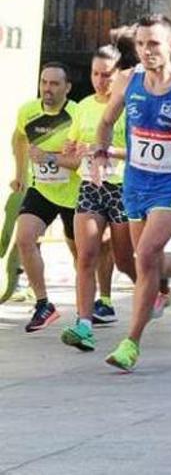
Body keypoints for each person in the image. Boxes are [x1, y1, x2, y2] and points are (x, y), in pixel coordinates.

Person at [90, 14, 171, 371]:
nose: (147, 51)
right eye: (141, 44)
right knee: (144, 261)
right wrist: (100, 154)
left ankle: (131, 343)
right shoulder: (127, 81)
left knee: (147, 253)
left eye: (154, 44)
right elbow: (105, 123)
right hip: (136, 183)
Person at [60, 46, 140, 350]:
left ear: (118, 74)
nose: (100, 80)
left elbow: (140, 151)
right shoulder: (82, 106)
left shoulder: (130, 106)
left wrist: (107, 150)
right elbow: (73, 144)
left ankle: (155, 286)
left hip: (122, 187)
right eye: (95, 73)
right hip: (91, 186)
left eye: (106, 74)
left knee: (124, 260)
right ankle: (83, 323)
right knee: (86, 256)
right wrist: (72, 150)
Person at [14, 62, 82, 333]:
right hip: (41, 188)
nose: (47, 89)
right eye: (44, 82)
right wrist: (20, 173)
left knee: (82, 255)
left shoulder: (77, 114)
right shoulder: (28, 112)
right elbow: (18, 139)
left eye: (54, 84)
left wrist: (51, 157)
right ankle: (43, 304)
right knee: (25, 237)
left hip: (74, 193)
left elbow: (80, 162)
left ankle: (87, 307)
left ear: (67, 88)